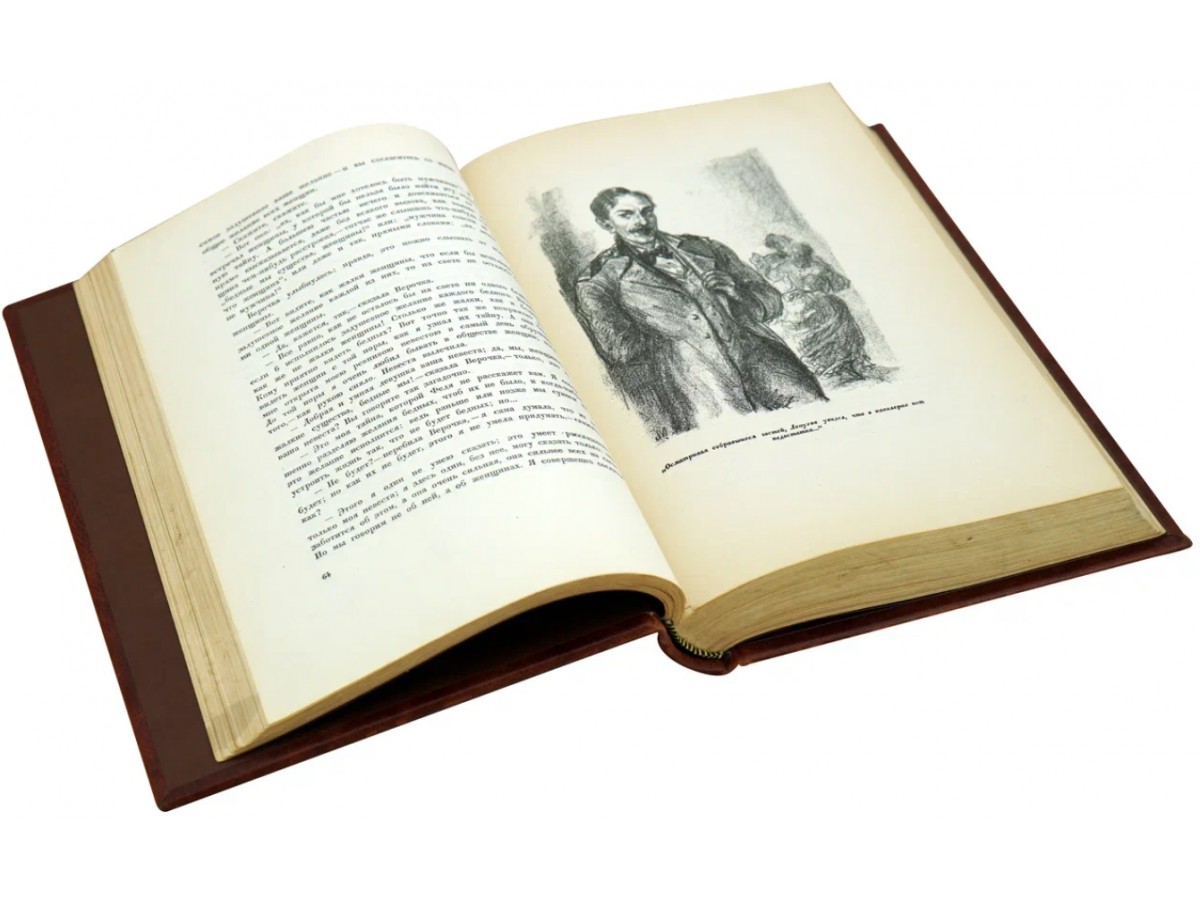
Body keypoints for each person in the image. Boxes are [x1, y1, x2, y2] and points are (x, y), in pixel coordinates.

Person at [574, 188, 826, 441]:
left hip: (769, 364)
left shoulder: (705, 247)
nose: (641, 221)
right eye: (626, 215)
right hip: (699, 386)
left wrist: (737, 292)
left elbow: (773, 302)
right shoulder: (596, 280)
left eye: (646, 212)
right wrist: (676, 340)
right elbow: (618, 348)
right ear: (606, 224)